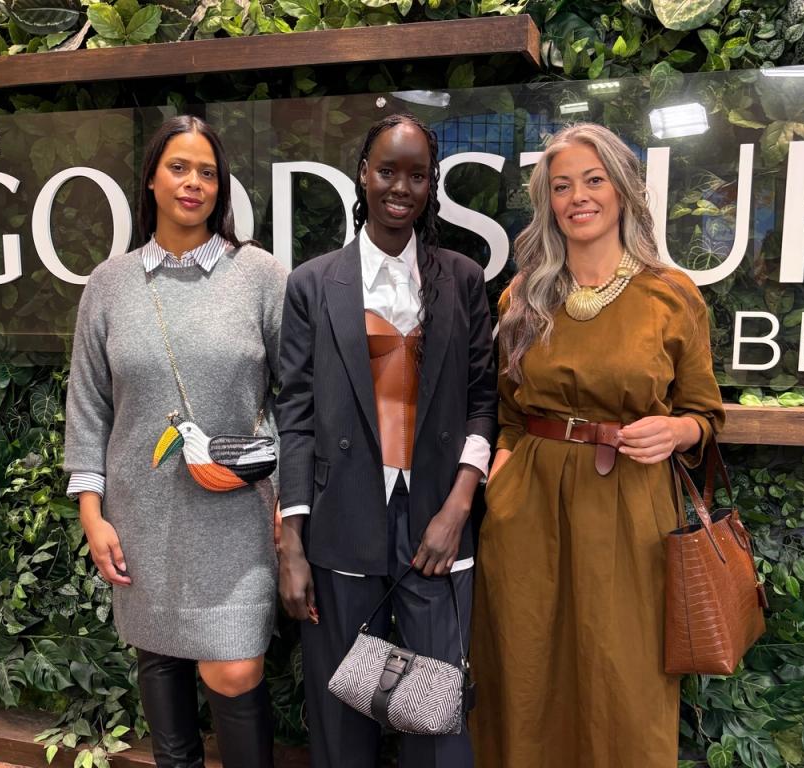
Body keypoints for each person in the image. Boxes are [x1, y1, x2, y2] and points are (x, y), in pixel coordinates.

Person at [469, 122, 726, 767]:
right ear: (547, 202)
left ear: (623, 191)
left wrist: (677, 430)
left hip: (631, 506)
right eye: (561, 186)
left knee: (624, 673)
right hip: (529, 504)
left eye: (593, 180)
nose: (578, 197)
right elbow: (507, 410)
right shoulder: (522, 296)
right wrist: (501, 476)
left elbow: (704, 412)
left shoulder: (670, 295)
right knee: (525, 665)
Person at [64, 115, 286, 768]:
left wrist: (288, 494)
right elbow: (89, 406)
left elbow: (300, 394)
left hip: (239, 516)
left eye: (207, 172)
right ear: (152, 180)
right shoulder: (109, 285)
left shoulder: (260, 275)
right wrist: (92, 512)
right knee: (159, 659)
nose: (193, 183)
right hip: (142, 519)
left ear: (222, 187)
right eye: (179, 167)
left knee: (235, 669)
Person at [275, 113, 496, 768]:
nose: (401, 187)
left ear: (432, 185)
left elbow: (483, 404)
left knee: (438, 720)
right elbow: (296, 414)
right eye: (388, 171)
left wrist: (458, 508)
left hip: (436, 524)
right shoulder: (313, 284)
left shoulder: (462, 279)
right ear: (363, 175)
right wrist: (292, 541)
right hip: (342, 521)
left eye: (417, 175)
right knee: (342, 721)